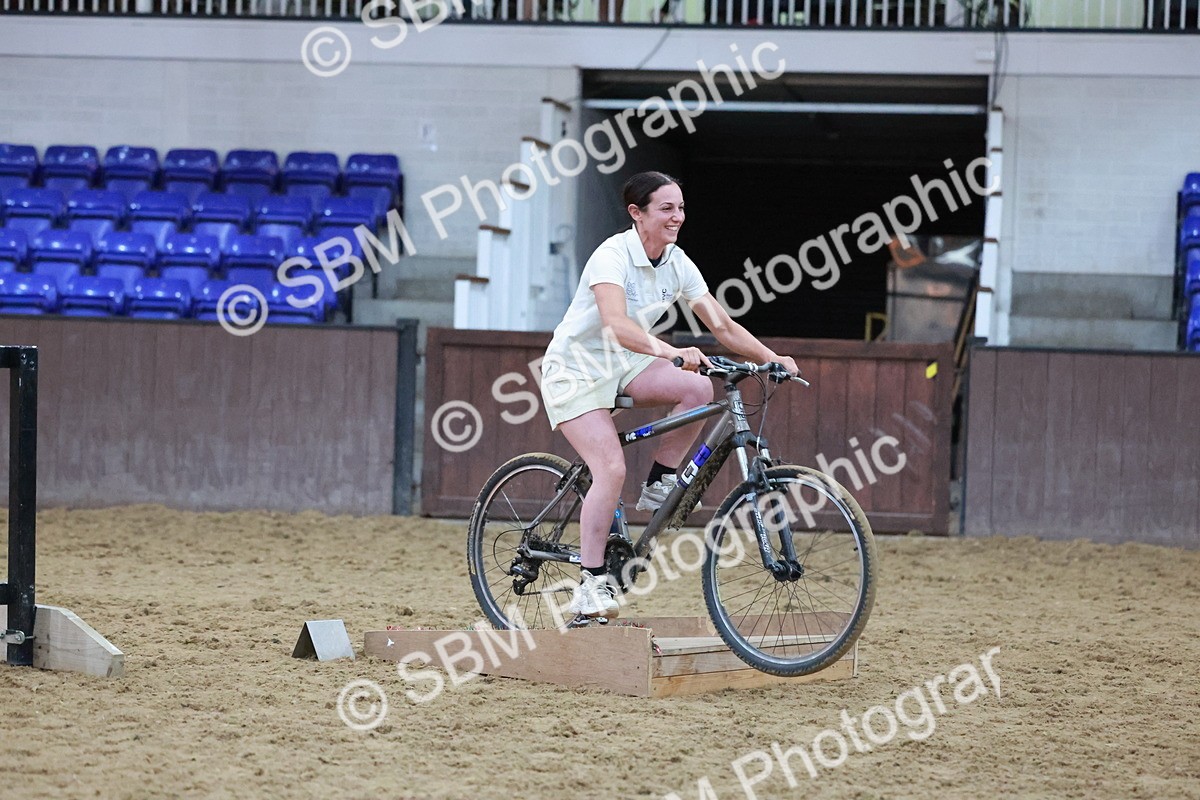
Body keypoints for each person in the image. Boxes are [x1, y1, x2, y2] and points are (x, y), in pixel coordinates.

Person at [538, 171, 800, 621]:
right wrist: (670, 351)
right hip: (575, 371)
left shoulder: (677, 262)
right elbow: (616, 325)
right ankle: (591, 584)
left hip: (625, 364)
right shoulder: (611, 255)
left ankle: (660, 481)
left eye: (680, 208)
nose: (677, 216)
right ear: (636, 213)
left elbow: (722, 325)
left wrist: (771, 357)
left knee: (697, 386)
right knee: (610, 469)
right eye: (666, 208)